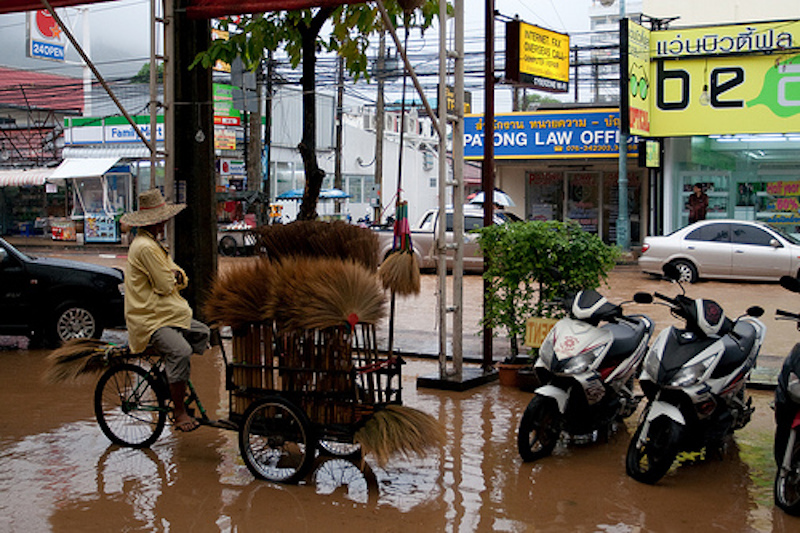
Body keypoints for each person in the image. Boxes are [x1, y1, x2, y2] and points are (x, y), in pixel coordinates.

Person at [120, 189, 210, 432]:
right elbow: (165, 284)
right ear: (156, 221)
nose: (164, 223)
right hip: (151, 319)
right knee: (180, 351)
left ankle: (169, 379)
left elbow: (181, 277)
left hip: (168, 314)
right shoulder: (146, 247)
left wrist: (175, 277)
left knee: (203, 334)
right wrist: (175, 278)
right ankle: (178, 410)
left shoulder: (154, 245)